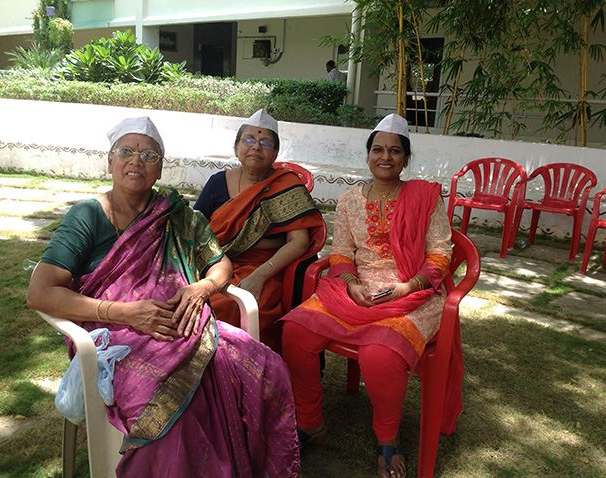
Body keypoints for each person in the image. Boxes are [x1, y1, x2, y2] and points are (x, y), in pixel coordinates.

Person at [27, 116, 300, 477]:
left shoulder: (178, 216)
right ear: (110, 163)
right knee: (173, 408)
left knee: (264, 366)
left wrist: (201, 287)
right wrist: (125, 313)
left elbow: (221, 265)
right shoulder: (88, 216)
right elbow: (41, 292)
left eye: (149, 155)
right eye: (126, 151)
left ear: (159, 170)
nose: (136, 161)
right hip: (116, 335)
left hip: (184, 324)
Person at [281, 114, 453, 478]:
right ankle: (310, 420)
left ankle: (388, 439)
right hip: (357, 290)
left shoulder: (425, 197)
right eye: (378, 149)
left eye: (394, 151)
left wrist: (411, 285)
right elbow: (341, 252)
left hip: (413, 292)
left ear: (406, 158)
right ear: (367, 155)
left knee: (379, 354)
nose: (385, 157)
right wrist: (348, 283)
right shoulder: (348, 201)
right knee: (296, 331)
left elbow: (441, 253)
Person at [194, 109, 324, 353]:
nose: (256, 147)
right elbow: (195, 230)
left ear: (275, 153)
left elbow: (299, 242)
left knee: (237, 305)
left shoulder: (286, 185)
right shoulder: (216, 183)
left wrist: (260, 276)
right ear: (236, 147)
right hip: (214, 262)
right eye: (249, 139)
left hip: (266, 268)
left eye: (266, 142)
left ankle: (244, 369)